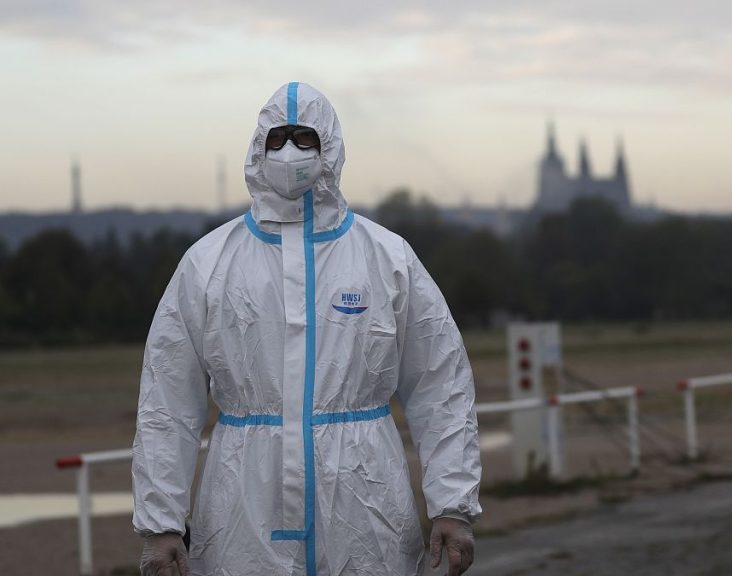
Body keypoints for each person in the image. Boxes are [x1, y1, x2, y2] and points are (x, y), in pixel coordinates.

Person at [132, 82, 481, 576]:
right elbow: (167, 401)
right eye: (277, 139)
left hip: (366, 509)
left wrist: (452, 504)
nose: (290, 151)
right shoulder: (209, 264)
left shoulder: (386, 259)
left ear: (331, 147)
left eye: (305, 138)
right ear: (257, 148)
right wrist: (161, 522)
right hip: (242, 511)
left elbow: (441, 386)